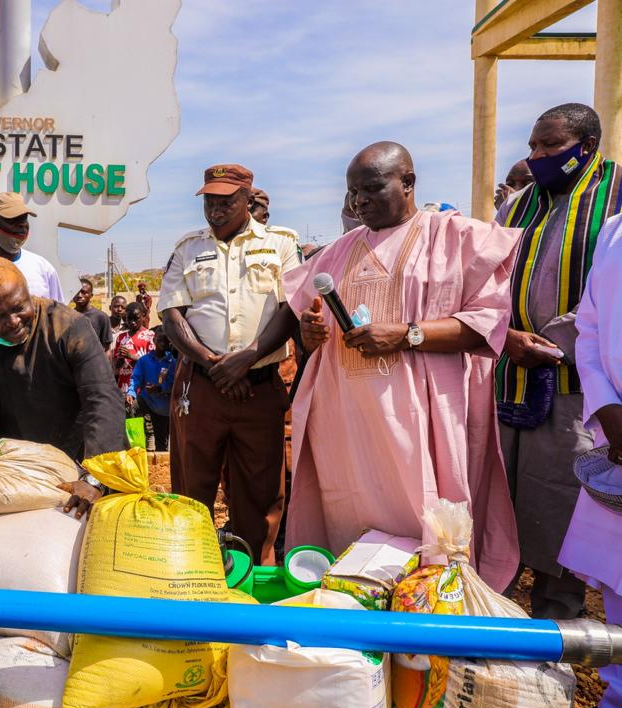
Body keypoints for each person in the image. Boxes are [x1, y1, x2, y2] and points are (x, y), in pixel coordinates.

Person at [282, 141, 520, 590]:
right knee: (347, 523)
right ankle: (354, 608)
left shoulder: (458, 237)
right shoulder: (337, 252)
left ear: (408, 183)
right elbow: (310, 321)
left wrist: (409, 334)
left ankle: (432, 620)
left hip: (423, 420)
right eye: (353, 192)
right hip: (349, 429)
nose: (359, 202)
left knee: (430, 525)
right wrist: (312, 335)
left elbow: (487, 325)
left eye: (371, 189)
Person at [494, 103, 622, 618]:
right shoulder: (519, 204)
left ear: (585, 148)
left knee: (563, 503)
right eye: (532, 147)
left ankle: (557, 622)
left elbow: (601, 302)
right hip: (509, 375)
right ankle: (494, 613)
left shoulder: (614, 200)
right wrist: (503, 335)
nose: (537, 156)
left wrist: (552, 341)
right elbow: (488, 278)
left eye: (550, 147)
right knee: (500, 499)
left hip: (580, 387)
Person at [158, 163, 300, 564]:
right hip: (202, 387)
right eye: (210, 200)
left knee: (259, 492)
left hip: (259, 386)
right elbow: (171, 314)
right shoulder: (188, 248)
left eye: (227, 200)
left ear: (247, 200)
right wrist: (215, 364)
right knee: (192, 489)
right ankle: (191, 573)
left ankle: (252, 578)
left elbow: (290, 309)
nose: (216, 208)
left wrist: (248, 357)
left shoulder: (281, 244)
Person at [0, 258, 126, 517]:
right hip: (15, 457)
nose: (13, 321)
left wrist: (95, 477)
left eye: (20, 307)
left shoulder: (69, 327)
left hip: (78, 455)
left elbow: (102, 399)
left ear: (29, 295)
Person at [563, 215, 622, 708]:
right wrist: (607, 408)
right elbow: (589, 329)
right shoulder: (615, 231)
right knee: (617, 579)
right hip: (617, 430)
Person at [0, 192, 64, 302]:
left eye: (24, 218)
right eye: (12, 219)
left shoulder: (44, 269)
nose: (22, 224)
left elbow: (58, 315)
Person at [126, 325, 175, 451]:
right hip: (146, 399)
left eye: (166, 341)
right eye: (160, 340)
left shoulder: (172, 363)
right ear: (154, 341)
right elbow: (135, 379)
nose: (163, 344)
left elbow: (173, 384)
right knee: (130, 406)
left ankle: (160, 466)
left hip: (162, 406)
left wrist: (160, 388)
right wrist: (131, 392)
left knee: (161, 442)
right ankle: (136, 447)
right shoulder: (144, 360)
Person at [113, 302, 154, 397]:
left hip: (141, 384)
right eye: (129, 319)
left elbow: (152, 363)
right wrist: (120, 359)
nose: (132, 322)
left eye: (136, 318)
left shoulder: (150, 336)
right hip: (124, 383)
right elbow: (117, 366)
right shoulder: (121, 337)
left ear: (143, 316)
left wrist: (130, 356)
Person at [72, 279, 113, 350]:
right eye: (76, 292)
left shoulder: (101, 317)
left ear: (91, 295)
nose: (79, 295)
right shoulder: (68, 316)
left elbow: (106, 347)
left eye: (84, 292)